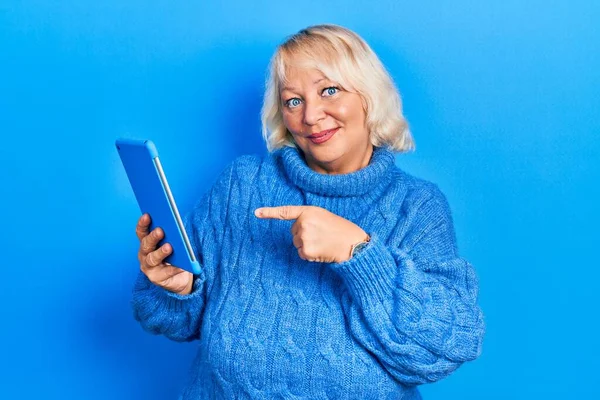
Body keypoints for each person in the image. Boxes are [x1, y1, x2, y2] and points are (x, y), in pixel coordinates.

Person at [132, 24, 485, 399]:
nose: (311, 116)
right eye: (293, 101)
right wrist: (177, 289)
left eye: (329, 90)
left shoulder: (416, 207)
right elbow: (175, 321)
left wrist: (359, 253)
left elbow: (447, 347)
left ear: (370, 96)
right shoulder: (241, 185)